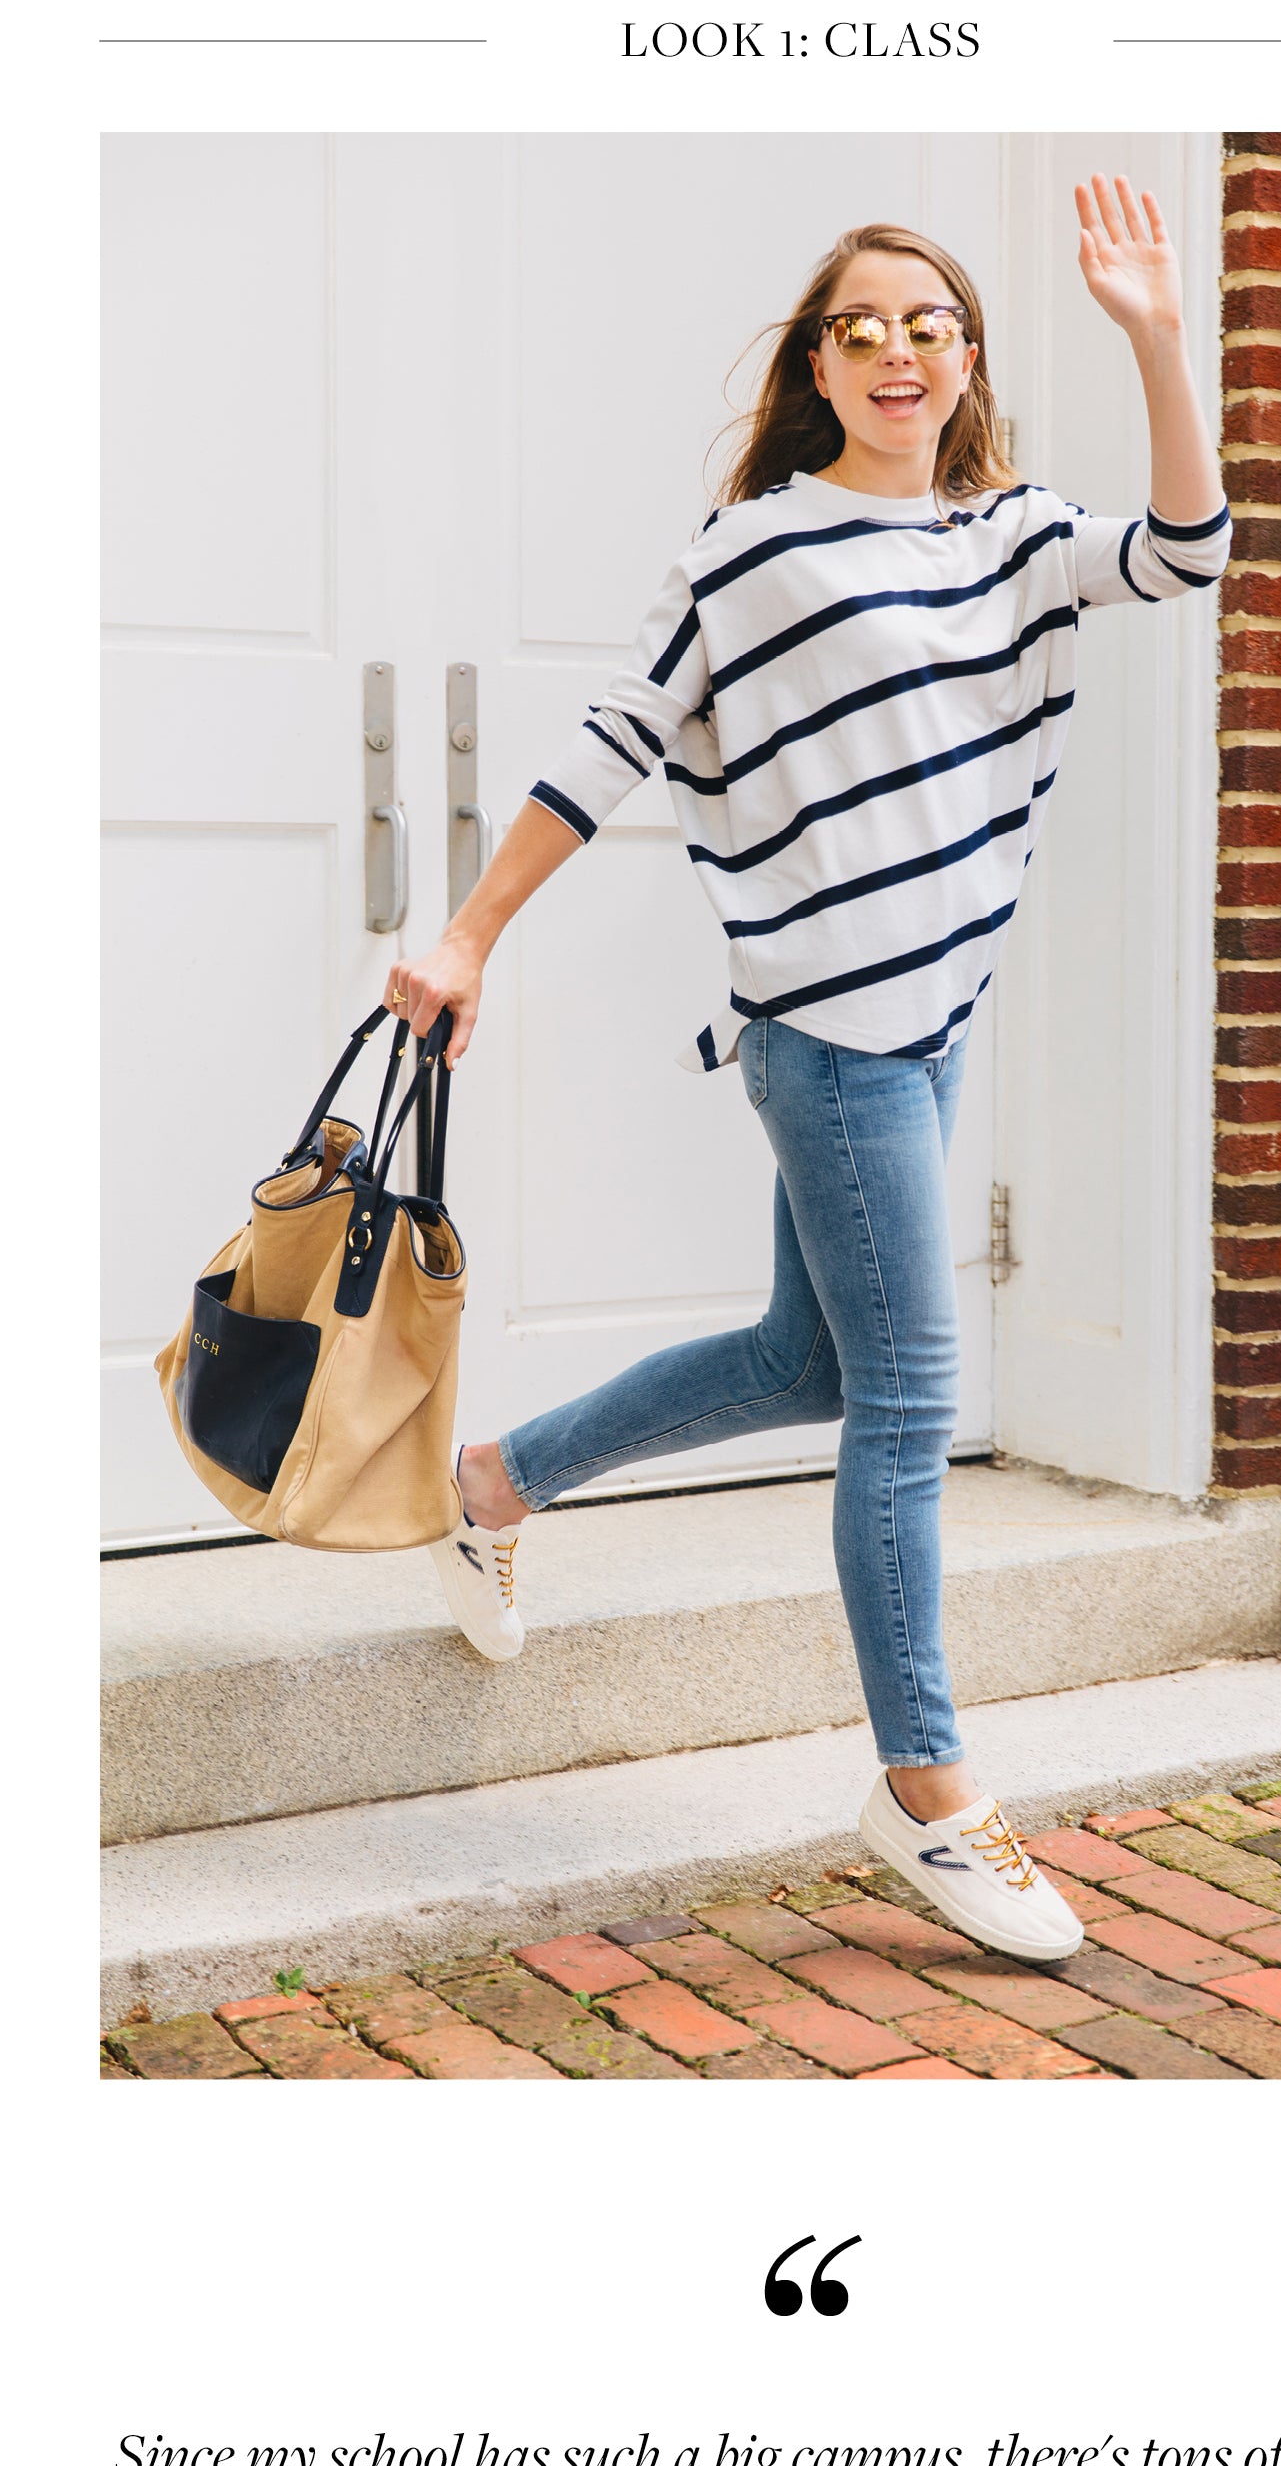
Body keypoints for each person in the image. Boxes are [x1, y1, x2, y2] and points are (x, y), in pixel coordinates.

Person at [386, 174, 1231, 1966]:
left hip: (929, 1011)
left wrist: (1158, 334)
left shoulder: (1005, 537)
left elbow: (1187, 551)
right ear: (818, 364)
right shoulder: (751, 548)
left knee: (803, 1356)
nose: (900, 350)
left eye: (932, 323)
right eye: (864, 326)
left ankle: (491, 1484)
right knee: (914, 1394)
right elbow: (615, 740)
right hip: (822, 1031)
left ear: (969, 358)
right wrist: (468, 934)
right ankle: (923, 1788)